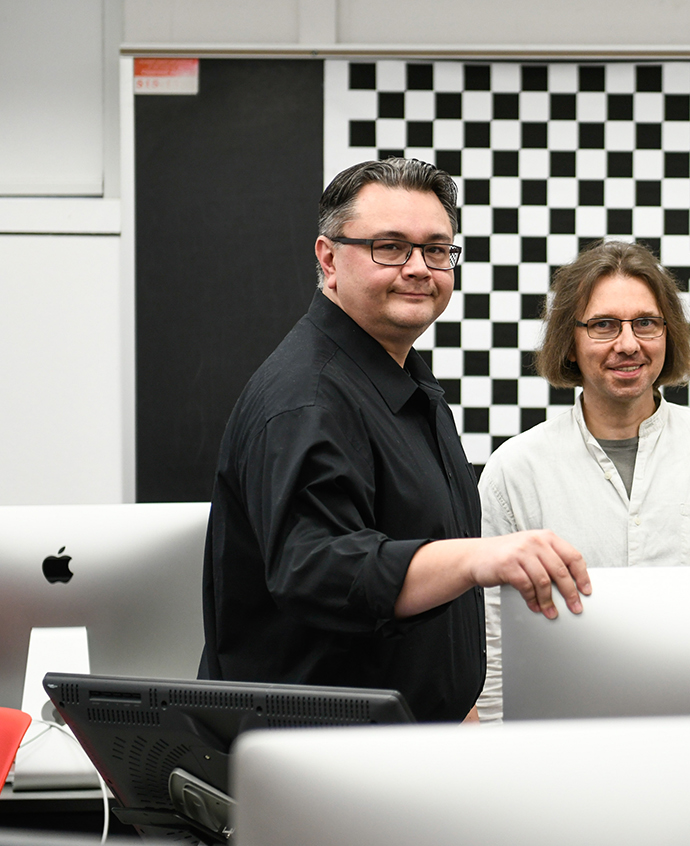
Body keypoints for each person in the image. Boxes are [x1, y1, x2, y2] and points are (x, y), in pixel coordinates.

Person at [199, 159, 590, 722]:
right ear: (328, 259)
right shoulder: (307, 399)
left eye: (437, 249)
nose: (419, 268)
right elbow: (319, 567)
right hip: (320, 768)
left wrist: (457, 702)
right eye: (390, 247)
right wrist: (478, 558)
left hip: (407, 749)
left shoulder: (400, 382)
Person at [473, 239, 690, 720]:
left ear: (668, 334)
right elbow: (489, 637)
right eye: (603, 325)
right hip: (563, 734)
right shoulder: (515, 471)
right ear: (570, 341)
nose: (628, 344)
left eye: (646, 323)